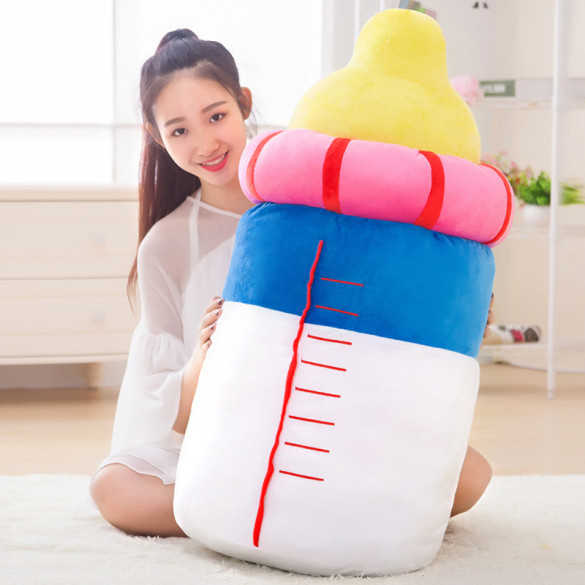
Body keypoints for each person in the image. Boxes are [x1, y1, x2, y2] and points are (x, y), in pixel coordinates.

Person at [91, 27, 492, 538]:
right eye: (180, 131)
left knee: (471, 474)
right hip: (225, 444)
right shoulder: (165, 245)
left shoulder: (309, 196)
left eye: (216, 116)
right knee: (115, 488)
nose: (205, 144)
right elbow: (163, 417)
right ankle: (314, 516)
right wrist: (203, 356)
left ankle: (259, 517)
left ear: (243, 103)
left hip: (331, 419)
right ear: (155, 135)